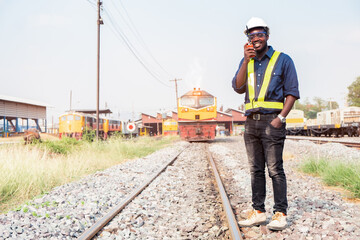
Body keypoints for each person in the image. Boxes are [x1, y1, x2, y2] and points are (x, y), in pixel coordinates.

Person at [232, 17, 300, 231]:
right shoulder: (247, 62)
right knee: (255, 170)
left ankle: (280, 213)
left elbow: (292, 92)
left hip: (273, 122)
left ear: (267, 36)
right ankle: (259, 212)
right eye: (252, 35)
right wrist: (244, 60)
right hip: (251, 123)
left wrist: (281, 118)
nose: (256, 38)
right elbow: (237, 87)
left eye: (260, 34)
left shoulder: (283, 59)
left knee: (274, 169)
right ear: (248, 39)